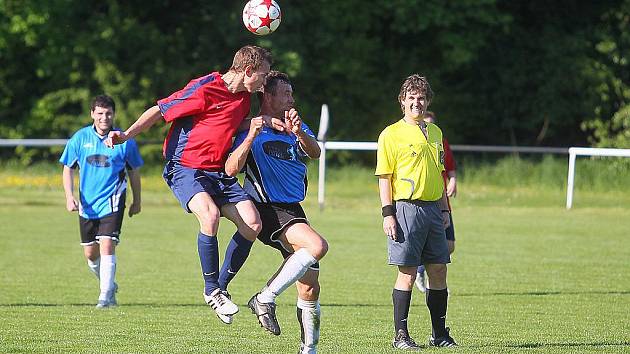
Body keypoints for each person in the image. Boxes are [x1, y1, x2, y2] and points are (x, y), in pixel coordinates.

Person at [105, 45, 273, 322]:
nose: (265, 81)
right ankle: (212, 291)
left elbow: (231, 125)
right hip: (186, 168)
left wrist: (261, 121)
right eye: (263, 74)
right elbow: (160, 110)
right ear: (247, 71)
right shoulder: (205, 87)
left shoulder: (244, 98)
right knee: (209, 215)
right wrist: (127, 135)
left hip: (218, 172)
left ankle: (219, 288)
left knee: (253, 224)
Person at [225, 71, 327, 354]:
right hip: (266, 206)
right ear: (267, 96)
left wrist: (298, 134)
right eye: (286, 94)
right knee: (317, 246)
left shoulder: (293, 124)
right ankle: (264, 298)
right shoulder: (250, 128)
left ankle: (308, 351)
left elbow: (315, 152)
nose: (291, 99)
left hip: (293, 209)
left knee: (309, 288)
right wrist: (249, 137)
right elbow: (231, 168)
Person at [375, 74, 457, 350]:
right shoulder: (391, 134)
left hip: (434, 210)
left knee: (438, 270)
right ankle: (401, 335)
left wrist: (445, 208)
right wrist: (388, 213)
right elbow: (384, 177)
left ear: (427, 101)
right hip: (405, 209)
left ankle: (439, 334)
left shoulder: (435, 132)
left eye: (421, 98)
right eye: (411, 98)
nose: (417, 102)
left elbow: (441, 172)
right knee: (408, 273)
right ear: (402, 102)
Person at [60, 94, 143, 308]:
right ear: (92, 114)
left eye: (108, 113)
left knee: (107, 244)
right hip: (87, 204)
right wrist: (69, 197)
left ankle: (104, 297)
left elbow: (134, 172)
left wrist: (137, 201)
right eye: (100, 113)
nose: (104, 117)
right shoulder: (80, 138)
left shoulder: (124, 140)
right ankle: (109, 285)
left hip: (113, 200)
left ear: (114, 114)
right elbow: (67, 168)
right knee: (90, 253)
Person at [415, 111, 457, 293]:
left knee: (449, 246)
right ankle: (426, 276)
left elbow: (450, 166)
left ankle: (423, 270)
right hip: (424, 202)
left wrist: (453, 180)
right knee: (433, 248)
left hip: (442, 201)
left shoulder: (440, 140)